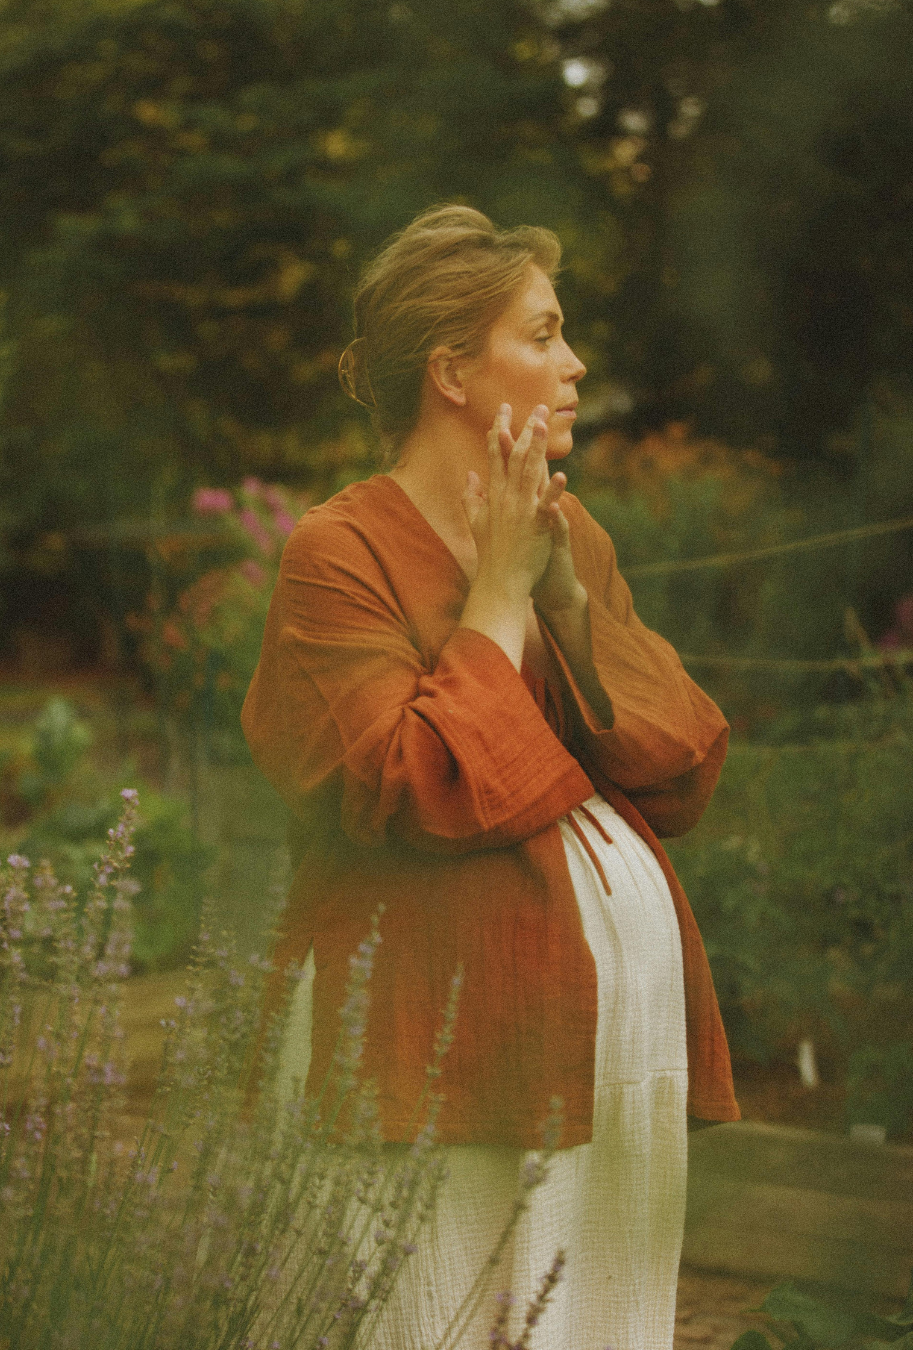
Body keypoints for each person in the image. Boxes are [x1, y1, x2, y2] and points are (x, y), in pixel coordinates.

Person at [241, 205, 739, 1350]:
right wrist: (500, 596)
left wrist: (560, 596)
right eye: (546, 335)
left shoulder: (575, 536)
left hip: (601, 1049)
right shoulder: (339, 552)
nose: (575, 367)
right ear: (453, 370)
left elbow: (675, 762)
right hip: (425, 1040)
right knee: (426, 1316)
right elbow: (407, 785)